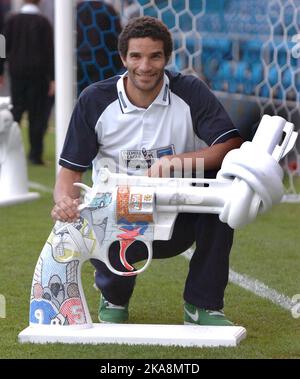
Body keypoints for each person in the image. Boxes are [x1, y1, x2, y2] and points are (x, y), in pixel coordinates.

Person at [51, 16, 243, 326]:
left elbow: (231, 145)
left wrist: (177, 162)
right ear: (123, 57)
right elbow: (70, 174)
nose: (145, 66)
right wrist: (63, 201)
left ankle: (202, 305)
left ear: (167, 58)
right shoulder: (95, 100)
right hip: (119, 215)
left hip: (180, 212)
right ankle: (112, 295)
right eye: (136, 56)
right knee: (115, 279)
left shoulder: (190, 91)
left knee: (222, 193)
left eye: (155, 56)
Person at [0, 0, 55, 165]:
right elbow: (50, 52)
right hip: (39, 76)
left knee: (15, 112)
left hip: (17, 75)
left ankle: (6, 151)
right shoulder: (43, 23)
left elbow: (2, 45)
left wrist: (0, 70)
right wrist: (53, 78)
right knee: (37, 116)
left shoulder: (12, 21)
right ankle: (35, 155)